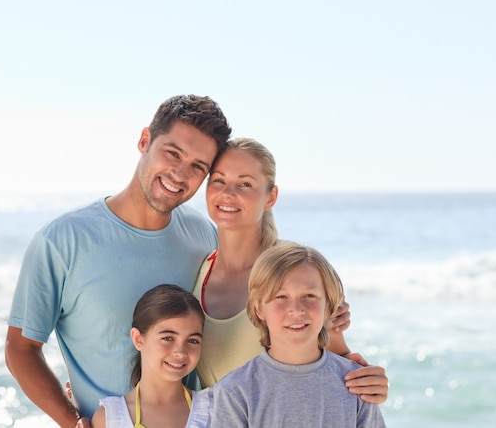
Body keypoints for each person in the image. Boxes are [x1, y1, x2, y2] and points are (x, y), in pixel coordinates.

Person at [4, 94, 232, 427]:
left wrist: (327, 324)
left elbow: (234, 310)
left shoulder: (204, 235)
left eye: (198, 167)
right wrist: (73, 422)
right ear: (144, 141)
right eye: (172, 153)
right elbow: (20, 349)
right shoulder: (62, 240)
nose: (180, 174)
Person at [193, 138, 388, 402]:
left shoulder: (298, 272)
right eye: (218, 180)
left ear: (270, 197)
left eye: (245, 184)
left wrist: (368, 385)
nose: (228, 193)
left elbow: (339, 362)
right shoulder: (199, 270)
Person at [211, 242, 387, 427]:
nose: (296, 310)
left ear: (329, 306)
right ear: (259, 310)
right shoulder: (234, 391)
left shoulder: (357, 384)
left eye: (309, 296)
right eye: (281, 297)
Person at [91, 284, 211, 428]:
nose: (180, 352)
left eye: (192, 341)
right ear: (138, 339)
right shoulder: (109, 418)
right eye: (168, 338)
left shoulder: (213, 409)